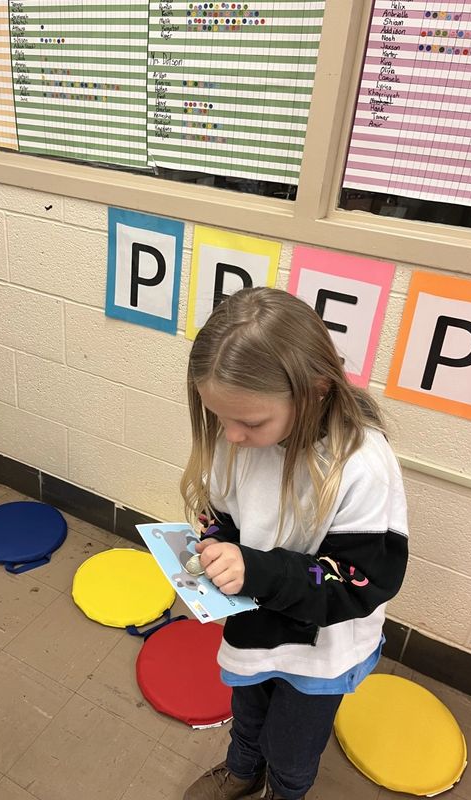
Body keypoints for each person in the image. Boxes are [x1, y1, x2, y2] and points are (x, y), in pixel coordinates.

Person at [180, 287, 408, 800]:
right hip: (255, 622)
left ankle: (283, 791)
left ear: (317, 389)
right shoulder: (236, 437)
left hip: (323, 650)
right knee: (248, 710)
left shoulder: (361, 467)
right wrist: (216, 544)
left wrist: (254, 570)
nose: (231, 435)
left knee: (293, 745)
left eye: (250, 422)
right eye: (220, 417)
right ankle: (242, 770)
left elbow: (360, 581)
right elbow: (222, 512)